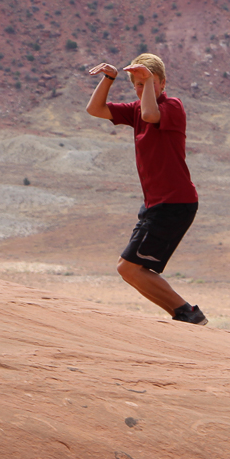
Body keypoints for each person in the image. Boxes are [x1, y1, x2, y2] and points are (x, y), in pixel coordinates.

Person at [85, 53, 207, 326]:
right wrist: (109, 77)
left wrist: (148, 81)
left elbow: (152, 114)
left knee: (129, 268)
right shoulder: (135, 109)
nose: (141, 90)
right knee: (128, 269)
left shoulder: (172, 106)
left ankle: (187, 312)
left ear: (163, 83)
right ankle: (184, 315)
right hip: (156, 204)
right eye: (137, 85)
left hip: (174, 203)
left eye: (148, 84)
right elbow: (94, 109)